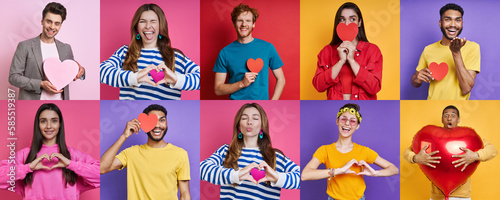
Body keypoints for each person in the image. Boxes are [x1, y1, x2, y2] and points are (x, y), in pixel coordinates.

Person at [100, 3, 200, 100]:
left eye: (153, 21)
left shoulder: (175, 56)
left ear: (161, 25)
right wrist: (134, 78)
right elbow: (101, 72)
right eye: (142, 21)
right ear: (137, 27)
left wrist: (176, 79)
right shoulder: (125, 52)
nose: (148, 26)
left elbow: (201, 79)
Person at [200, 103, 300, 199]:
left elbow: (301, 177)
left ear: (262, 126)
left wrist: (277, 177)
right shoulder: (226, 151)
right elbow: (202, 169)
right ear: (239, 126)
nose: (249, 122)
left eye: (255, 118)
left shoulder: (275, 156)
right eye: (244, 118)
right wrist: (236, 175)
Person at [0, 103, 99, 199]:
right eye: (43, 121)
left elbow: (100, 175)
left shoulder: (74, 155)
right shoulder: (24, 155)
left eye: (54, 121)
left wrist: (71, 164)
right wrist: (27, 168)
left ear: (60, 124)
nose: (48, 126)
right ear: (38, 124)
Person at [302, 103, 399, 200]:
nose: (347, 123)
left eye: (352, 121)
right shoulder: (325, 150)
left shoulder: (363, 151)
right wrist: (339, 171)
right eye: (343, 119)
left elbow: (394, 169)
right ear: (337, 121)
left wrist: (375, 173)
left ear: (357, 126)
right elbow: (305, 175)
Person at [403, 105, 497, 200]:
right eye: (446, 116)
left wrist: (476, 155)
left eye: (453, 115)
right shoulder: (430, 136)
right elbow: (408, 152)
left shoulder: (471, 137)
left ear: (458, 119)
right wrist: (415, 158)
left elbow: (492, 150)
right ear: (442, 119)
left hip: (462, 197)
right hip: (436, 197)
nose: (449, 119)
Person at [100, 104, 191, 200]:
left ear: (166, 124)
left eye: (162, 120)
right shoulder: (131, 153)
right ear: (144, 125)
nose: (157, 125)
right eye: (152, 121)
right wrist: (124, 136)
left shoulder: (180, 154)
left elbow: (185, 194)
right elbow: (102, 168)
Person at [9, 2, 86, 100]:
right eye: (49, 21)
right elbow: (13, 77)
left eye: (57, 23)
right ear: (42, 21)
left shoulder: (66, 48)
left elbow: (70, 71)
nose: (52, 27)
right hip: (32, 103)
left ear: (60, 26)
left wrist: (81, 72)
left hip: (60, 104)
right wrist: (40, 84)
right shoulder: (25, 46)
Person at [213, 4, 286, 100]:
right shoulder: (224, 53)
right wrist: (242, 84)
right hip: (235, 105)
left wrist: (273, 101)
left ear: (253, 24)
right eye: (240, 20)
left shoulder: (267, 47)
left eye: (248, 20)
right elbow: (218, 89)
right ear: (234, 24)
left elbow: (281, 79)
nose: (244, 24)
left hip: (261, 105)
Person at [312, 2, 383, 100]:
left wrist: (352, 61)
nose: (347, 24)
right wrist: (340, 62)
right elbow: (318, 86)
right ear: (338, 23)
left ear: (359, 23)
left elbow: (374, 87)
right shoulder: (327, 51)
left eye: (352, 19)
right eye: (342, 19)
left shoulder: (373, 50)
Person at [411, 3, 480, 100]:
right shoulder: (428, 49)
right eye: (447, 19)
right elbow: (414, 81)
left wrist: (456, 53)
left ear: (461, 24)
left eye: (457, 20)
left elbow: (466, 88)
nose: (453, 24)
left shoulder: (473, 47)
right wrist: (418, 78)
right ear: (440, 23)